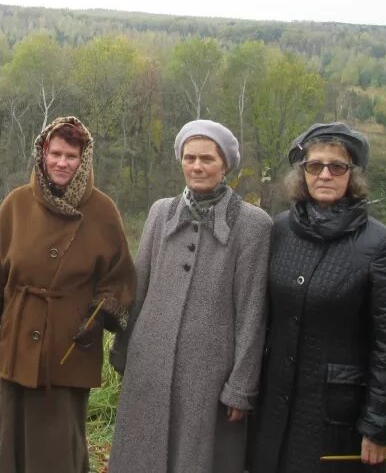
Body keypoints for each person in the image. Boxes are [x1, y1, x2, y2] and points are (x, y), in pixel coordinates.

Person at [109, 119, 272, 473]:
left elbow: (252, 312)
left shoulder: (253, 225)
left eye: (207, 159)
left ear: (225, 164)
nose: (197, 166)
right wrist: (123, 350)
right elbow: (138, 289)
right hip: (147, 366)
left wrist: (241, 386)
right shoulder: (160, 212)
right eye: (189, 157)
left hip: (209, 379)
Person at [249, 123, 386, 472]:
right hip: (274, 409)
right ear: (302, 172)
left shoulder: (379, 245)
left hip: (336, 416)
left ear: (352, 175)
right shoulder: (280, 230)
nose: (325, 174)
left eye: (337, 166)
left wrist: (379, 425)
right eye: (314, 165)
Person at [0, 116, 136, 473]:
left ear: (84, 160)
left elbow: (120, 276)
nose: (62, 163)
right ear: (42, 154)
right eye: (56, 154)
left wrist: (99, 317)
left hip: (70, 344)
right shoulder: (16, 204)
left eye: (72, 156)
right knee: (14, 440)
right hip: (19, 336)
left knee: (58, 446)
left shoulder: (103, 211)